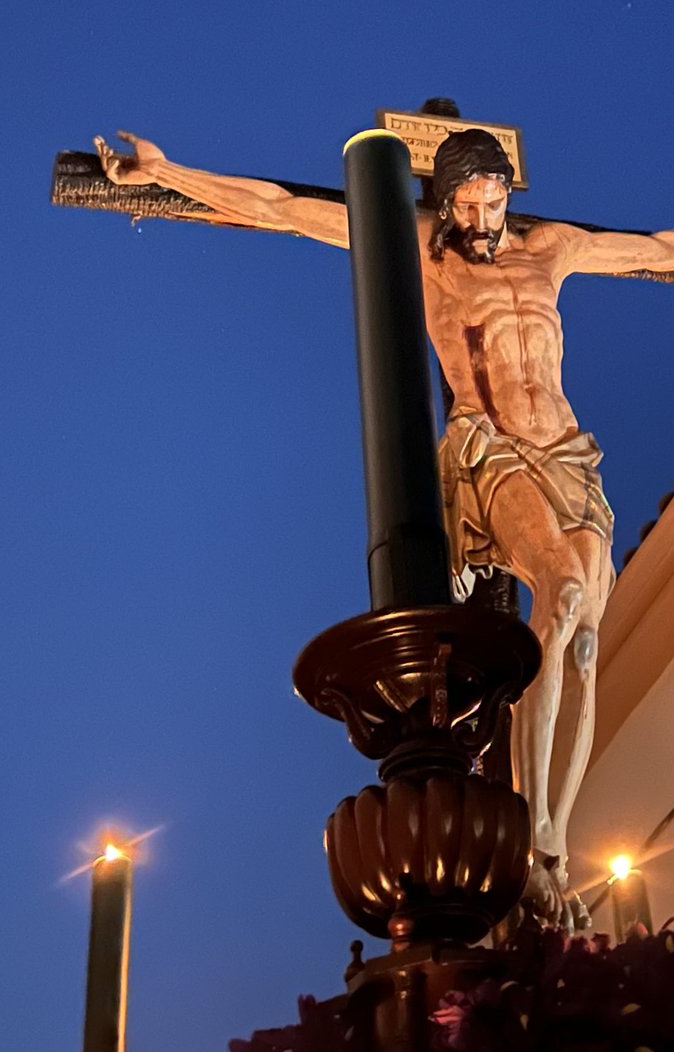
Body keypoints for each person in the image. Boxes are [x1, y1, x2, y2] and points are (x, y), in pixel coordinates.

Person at [94, 127, 674, 925]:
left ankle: (554, 844)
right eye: (466, 204)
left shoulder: (551, 249)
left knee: (582, 642)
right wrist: (168, 174)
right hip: (494, 450)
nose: (480, 219)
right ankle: (533, 827)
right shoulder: (423, 249)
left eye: (493, 203)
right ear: (446, 201)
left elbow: (656, 249)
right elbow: (280, 207)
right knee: (565, 595)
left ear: (508, 195)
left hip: (567, 453)